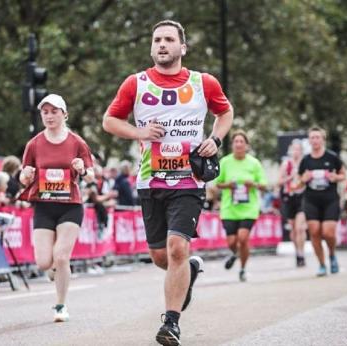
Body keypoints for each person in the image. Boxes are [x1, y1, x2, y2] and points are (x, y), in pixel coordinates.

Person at [103, 20, 233, 346]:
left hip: (189, 179)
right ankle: (187, 271)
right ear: (152, 47)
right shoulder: (137, 83)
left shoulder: (204, 83)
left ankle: (171, 323)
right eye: (157, 40)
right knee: (162, 257)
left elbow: (225, 112)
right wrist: (139, 133)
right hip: (151, 180)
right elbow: (109, 121)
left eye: (169, 39)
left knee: (176, 248)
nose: (162, 44)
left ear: (182, 47)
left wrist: (215, 139)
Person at [19, 93, 94, 322]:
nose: (49, 116)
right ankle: (54, 270)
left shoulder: (76, 142)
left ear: (64, 114)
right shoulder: (34, 144)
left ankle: (60, 306)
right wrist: (26, 175)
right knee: (44, 262)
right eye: (45, 112)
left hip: (70, 206)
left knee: (61, 256)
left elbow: (91, 176)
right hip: (44, 205)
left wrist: (82, 169)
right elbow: (23, 176)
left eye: (54, 111)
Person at [215, 130, 267, 281]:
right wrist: (227, 185)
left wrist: (254, 184)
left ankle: (243, 269)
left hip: (248, 208)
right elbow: (217, 184)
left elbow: (264, 185)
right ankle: (235, 253)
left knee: (243, 238)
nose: (238, 144)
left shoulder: (254, 163)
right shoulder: (225, 162)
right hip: (229, 208)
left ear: (247, 145)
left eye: (241, 142)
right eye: (235, 142)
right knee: (232, 242)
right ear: (232, 145)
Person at [299, 126, 345, 277]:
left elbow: (343, 174)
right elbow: (299, 181)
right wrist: (303, 179)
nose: (315, 140)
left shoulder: (332, 157)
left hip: (330, 199)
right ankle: (322, 264)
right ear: (309, 141)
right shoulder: (305, 160)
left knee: (328, 232)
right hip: (311, 200)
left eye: (317, 137)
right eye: (312, 138)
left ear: (323, 140)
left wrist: (336, 177)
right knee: (314, 232)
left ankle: (332, 255)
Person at [278, 139, 307, 267]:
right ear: (291, 150)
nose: (296, 151)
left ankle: (301, 253)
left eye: (298, 149)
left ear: (301, 151)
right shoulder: (286, 164)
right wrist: (290, 177)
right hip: (289, 197)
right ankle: (297, 252)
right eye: (294, 149)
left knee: (300, 228)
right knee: (293, 230)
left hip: (302, 196)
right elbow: (279, 181)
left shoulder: (305, 163)